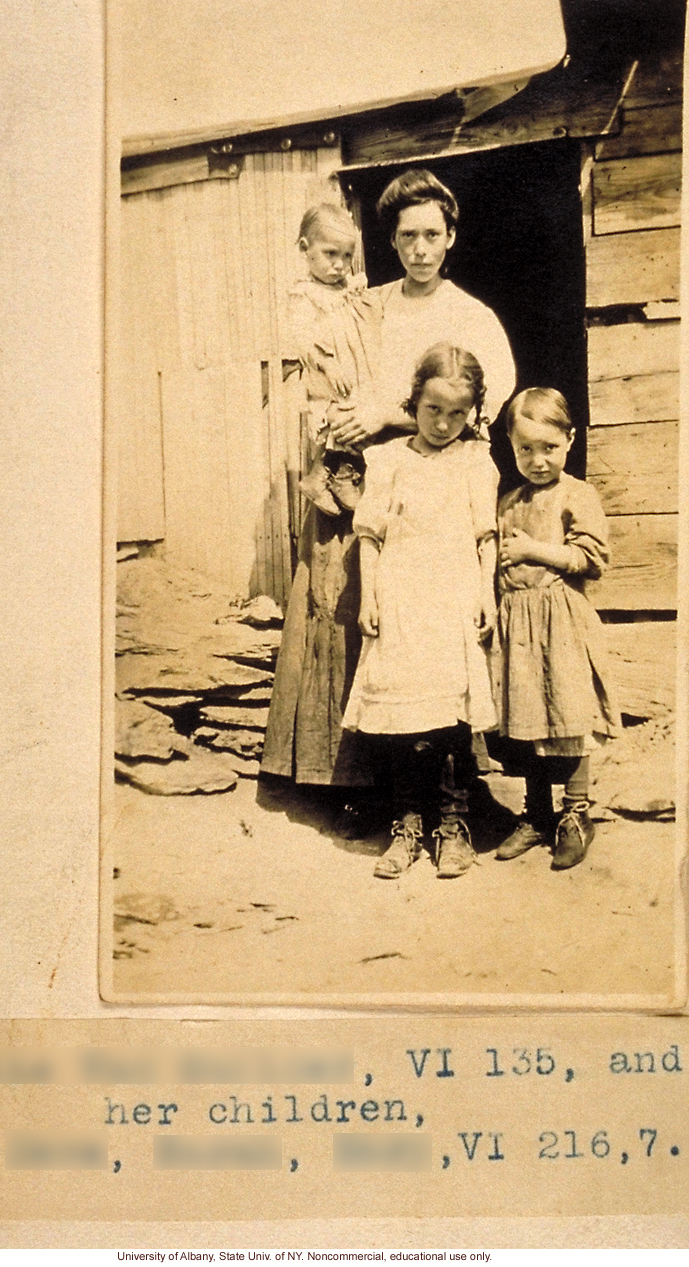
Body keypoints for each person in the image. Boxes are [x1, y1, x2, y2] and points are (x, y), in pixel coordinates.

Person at [260, 168, 515, 791]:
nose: (420, 249)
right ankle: (349, 784)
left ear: (451, 237)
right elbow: (318, 361)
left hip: (431, 494)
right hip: (356, 482)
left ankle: (445, 790)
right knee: (349, 612)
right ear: (393, 242)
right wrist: (337, 413)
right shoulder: (367, 304)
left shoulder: (472, 317)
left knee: (426, 631)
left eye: (432, 234)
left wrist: (383, 414)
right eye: (407, 238)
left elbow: (477, 415)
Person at [341, 344, 499, 878]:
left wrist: (486, 594)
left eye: (458, 413)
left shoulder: (476, 460)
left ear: (473, 412)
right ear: (414, 402)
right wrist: (370, 597)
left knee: (451, 721)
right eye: (433, 410)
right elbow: (370, 537)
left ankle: (453, 827)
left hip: (452, 604)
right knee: (404, 722)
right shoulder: (387, 460)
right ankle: (406, 826)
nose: (444, 423)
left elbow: (486, 538)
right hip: (404, 603)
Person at [491, 388, 620, 870]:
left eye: (548, 447)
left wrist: (533, 552)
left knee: (569, 713)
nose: (537, 459)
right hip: (517, 624)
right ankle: (537, 813)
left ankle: (576, 813)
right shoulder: (507, 500)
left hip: (561, 620)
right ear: (509, 444)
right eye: (525, 448)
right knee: (527, 718)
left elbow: (590, 559)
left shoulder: (577, 494)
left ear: (570, 440)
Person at [287, 204, 368, 516]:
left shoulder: (345, 288)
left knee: (355, 417)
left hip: (351, 370)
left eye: (347, 256)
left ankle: (321, 477)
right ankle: (340, 476)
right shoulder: (305, 296)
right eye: (331, 254)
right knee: (341, 420)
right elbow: (302, 339)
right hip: (328, 373)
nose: (340, 265)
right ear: (306, 250)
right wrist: (327, 363)